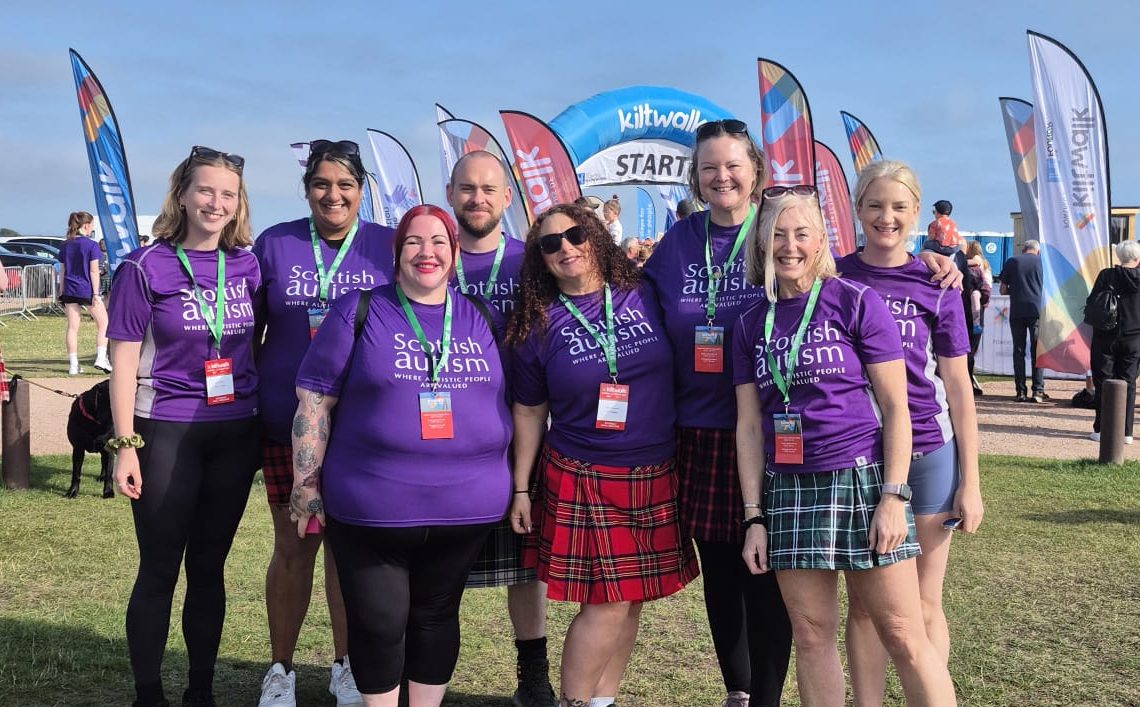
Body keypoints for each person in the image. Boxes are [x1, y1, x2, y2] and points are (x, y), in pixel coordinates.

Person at [734, 186, 958, 707]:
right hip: (787, 490)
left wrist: (894, 497)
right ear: (762, 245)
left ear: (820, 241)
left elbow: (897, 408)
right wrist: (753, 517)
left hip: (860, 481)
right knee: (812, 637)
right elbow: (748, 426)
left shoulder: (856, 301)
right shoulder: (749, 323)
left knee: (902, 633)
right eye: (777, 235)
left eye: (801, 234)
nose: (789, 246)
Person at [291, 205, 511, 707]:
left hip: (466, 509)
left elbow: (517, 403)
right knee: (379, 622)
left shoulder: (483, 317)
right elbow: (314, 401)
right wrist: (306, 484)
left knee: (436, 616)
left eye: (439, 242)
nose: (426, 252)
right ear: (396, 253)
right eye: (413, 242)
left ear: (456, 253)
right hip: (373, 507)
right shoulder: (359, 310)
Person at [507, 203, 698, 707]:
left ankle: (602, 701)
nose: (566, 247)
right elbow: (528, 413)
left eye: (574, 235)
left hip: (656, 467)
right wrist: (521, 488)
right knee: (608, 604)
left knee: (629, 600)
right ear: (540, 259)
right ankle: (573, 701)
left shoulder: (643, 292)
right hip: (584, 471)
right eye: (551, 243)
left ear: (595, 236)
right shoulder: (537, 325)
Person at [641, 118, 792, 707]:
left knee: (770, 571)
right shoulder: (678, 242)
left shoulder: (779, 230)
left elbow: (836, 279)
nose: (722, 176)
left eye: (733, 165)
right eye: (710, 168)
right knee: (724, 574)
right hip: (701, 431)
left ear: (755, 171)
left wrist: (935, 263)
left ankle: (769, 699)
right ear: (696, 178)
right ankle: (738, 691)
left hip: (776, 431)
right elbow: (623, 297)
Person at [108, 146, 261, 707]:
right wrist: (125, 446)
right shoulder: (143, 266)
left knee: (209, 567)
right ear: (182, 194)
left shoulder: (248, 264)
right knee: (159, 566)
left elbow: (258, 338)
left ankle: (201, 691)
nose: (215, 203)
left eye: (227, 193)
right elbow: (123, 359)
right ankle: (148, 694)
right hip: (165, 430)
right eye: (205, 190)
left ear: (238, 202)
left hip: (236, 431)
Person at [253, 138, 395, 707]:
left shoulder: (388, 245)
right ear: (306, 187)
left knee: (348, 552)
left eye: (345, 185)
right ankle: (281, 670)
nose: (333, 195)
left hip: (364, 429)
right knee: (293, 546)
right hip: (290, 424)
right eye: (321, 184)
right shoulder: (275, 244)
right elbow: (243, 329)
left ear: (362, 191)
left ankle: (345, 665)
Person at [837, 160, 984, 706]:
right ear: (857, 209)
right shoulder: (834, 275)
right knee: (865, 606)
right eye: (875, 205)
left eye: (898, 207)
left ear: (916, 213)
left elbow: (959, 389)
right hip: (858, 458)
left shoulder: (937, 281)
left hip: (927, 453)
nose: (886, 217)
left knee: (923, 604)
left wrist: (971, 482)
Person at [444, 149, 557, 707]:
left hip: (523, 430)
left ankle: (532, 675)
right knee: (438, 562)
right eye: (467, 188)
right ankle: (426, 669)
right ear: (451, 194)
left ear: (507, 198)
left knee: (525, 562)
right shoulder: (432, 258)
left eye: (489, 189)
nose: (478, 198)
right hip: (445, 437)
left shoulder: (533, 260)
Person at [1087, 240, 1140, 444]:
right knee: (1128, 384)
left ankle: (1102, 429)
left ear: (1119, 256)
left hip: (1105, 335)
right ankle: (1126, 432)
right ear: (1137, 258)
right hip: (1134, 337)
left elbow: (1093, 302)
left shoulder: (1106, 275)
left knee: (1104, 382)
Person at [57, 211, 111, 374]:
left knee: (72, 327)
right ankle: (101, 358)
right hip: (86, 289)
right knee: (104, 323)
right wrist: (96, 294)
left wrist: (61, 292)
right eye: (92, 225)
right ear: (86, 225)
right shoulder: (91, 245)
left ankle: (73, 365)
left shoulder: (65, 245)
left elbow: (62, 270)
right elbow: (94, 271)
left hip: (69, 289)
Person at [999, 240, 1045, 402]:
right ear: (1037, 251)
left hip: (1017, 311)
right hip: (1037, 311)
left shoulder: (1012, 261)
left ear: (1023, 249)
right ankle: (1038, 391)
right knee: (1037, 351)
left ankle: (1020, 391)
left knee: (1018, 351)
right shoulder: (1043, 262)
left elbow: (1002, 289)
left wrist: (1016, 290)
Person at [964, 240, 993, 395]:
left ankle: (966, 381)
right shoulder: (984, 265)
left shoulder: (973, 263)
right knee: (971, 347)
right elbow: (987, 287)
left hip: (967, 305)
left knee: (965, 347)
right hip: (977, 307)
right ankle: (968, 381)